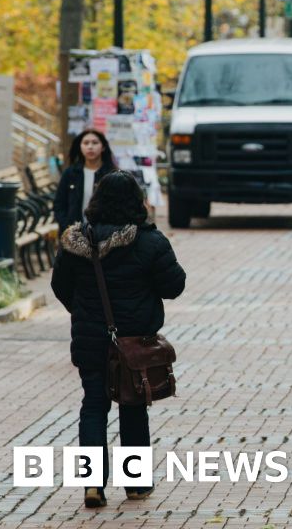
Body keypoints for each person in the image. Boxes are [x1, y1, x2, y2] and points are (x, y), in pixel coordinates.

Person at [51, 170, 186, 509]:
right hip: (133, 341)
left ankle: (92, 485)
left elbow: (59, 286)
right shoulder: (149, 241)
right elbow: (174, 286)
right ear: (136, 201)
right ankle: (136, 485)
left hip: (90, 338)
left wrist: (83, 311)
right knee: (133, 407)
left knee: (93, 406)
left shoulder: (74, 241)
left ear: (97, 200)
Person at [54, 129, 118, 232]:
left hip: (104, 235)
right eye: (86, 143)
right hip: (73, 235)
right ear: (80, 147)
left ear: (103, 147)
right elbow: (59, 204)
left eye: (95, 143)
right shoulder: (70, 173)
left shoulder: (112, 174)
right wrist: (67, 227)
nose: (90, 147)